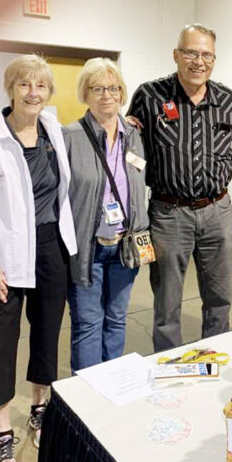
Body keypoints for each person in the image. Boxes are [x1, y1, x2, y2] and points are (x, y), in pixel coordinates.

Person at [0, 54, 77, 462]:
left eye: (41, 85)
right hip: (2, 255)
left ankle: (39, 409)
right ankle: (3, 433)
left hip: (50, 248)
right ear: (10, 88)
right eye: (24, 84)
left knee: (46, 332)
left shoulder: (53, 129)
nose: (33, 93)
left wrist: (129, 122)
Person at [126, 23, 232, 352]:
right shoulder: (150, 96)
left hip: (218, 212)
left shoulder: (227, 100)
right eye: (191, 53)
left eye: (207, 55)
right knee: (167, 301)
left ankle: (215, 357)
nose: (199, 61)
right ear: (176, 55)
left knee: (220, 297)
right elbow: (127, 148)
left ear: (214, 59)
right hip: (168, 214)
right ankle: (168, 363)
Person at [63, 58, 150, 371]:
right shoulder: (69, 136)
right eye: (97, 88)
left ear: (122, 93)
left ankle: (111, 381)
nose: (107, 95)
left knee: (116, 318)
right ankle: (86, 391)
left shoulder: (133, 135)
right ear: (85, 94)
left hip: (126, 246)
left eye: (113, 88)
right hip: (89, 248)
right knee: (88, 324)